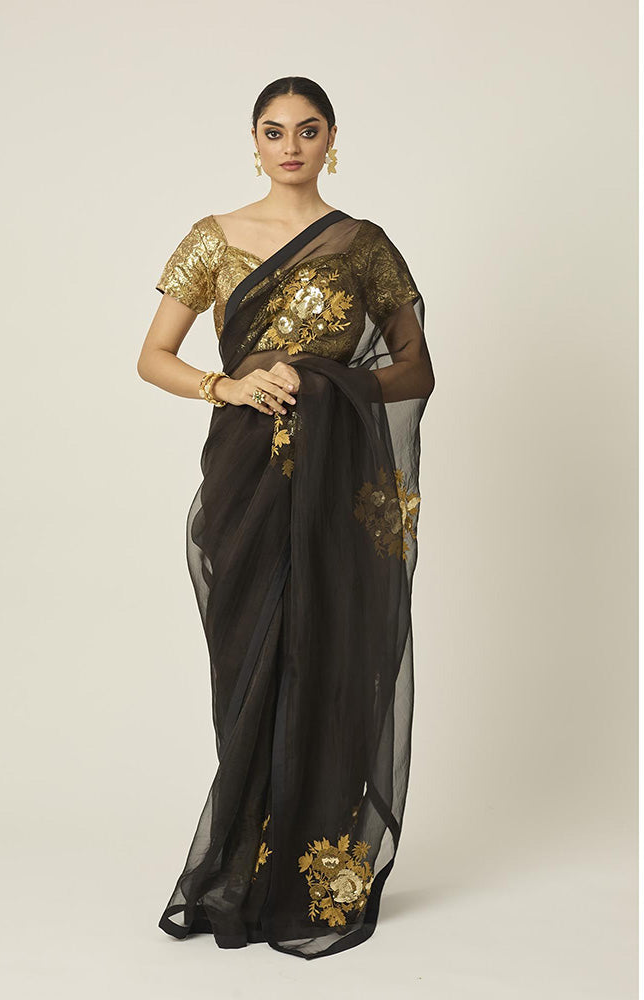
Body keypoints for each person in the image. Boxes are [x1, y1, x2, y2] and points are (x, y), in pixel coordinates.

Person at [136, 76, 435, 960]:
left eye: (308, 130)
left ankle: (312, 875)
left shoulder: (363, 244)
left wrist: (322, 380)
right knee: (249, 663)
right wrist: (227, 385)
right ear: (255, 141)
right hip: (245, 480)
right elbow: (153, 355)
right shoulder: (214, 238)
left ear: (331, 139)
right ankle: (240, 869)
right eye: (275, 131)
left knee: (328, 656)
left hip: (334, 486)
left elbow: (416, 369)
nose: (291, 146)